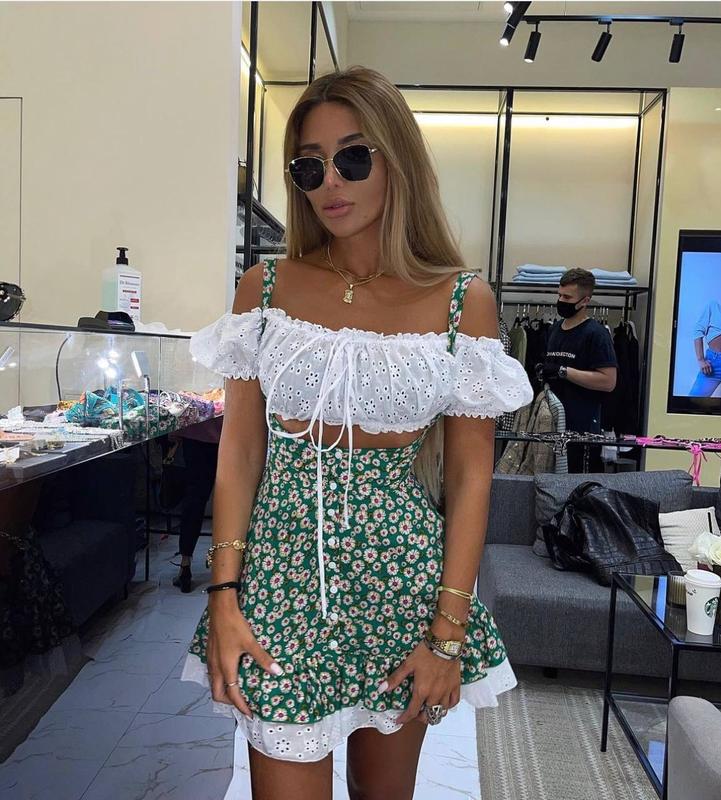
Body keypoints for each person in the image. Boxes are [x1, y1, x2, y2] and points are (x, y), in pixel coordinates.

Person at [180, 65, 533, 800]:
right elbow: (239, 453)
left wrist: (447, 633)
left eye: (352, 157)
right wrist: (223, 595)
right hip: (279, 584)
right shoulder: (264, 289)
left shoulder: (461, 301)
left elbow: (472, 477)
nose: (330, 182)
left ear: (395, 158)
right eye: (309, 166)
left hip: (402, 590)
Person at [535, 268, 618, 473]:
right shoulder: (555, 329)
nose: (561, 301)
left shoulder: (596, 334)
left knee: (576, 482)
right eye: (559, 295)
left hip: (582, 429)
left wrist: (564, 371)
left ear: (584, 301)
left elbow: (608, 381)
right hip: (552, 424)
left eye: (567, 297)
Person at [171, 416, 223, 593]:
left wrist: (176, 431)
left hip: (196, 433)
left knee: (194, 500)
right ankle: (229, 566)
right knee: (229, 502)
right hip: (228, 434)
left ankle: (185, 565)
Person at [689, 298, 721, 397]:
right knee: (693, 400)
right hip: (713, 365)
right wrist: (701, 360)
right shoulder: (714, 307)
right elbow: (698, 331)